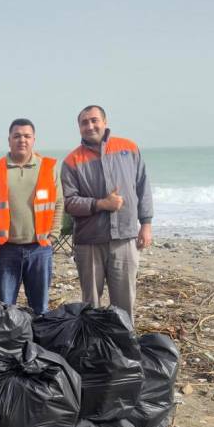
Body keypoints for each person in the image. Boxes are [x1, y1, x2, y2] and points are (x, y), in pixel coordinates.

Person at [61, 105, 153, 321]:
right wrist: (101, 204)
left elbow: (142, 187)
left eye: (94, 120)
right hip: (89, 241)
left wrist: (146, 224)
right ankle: (92, 345)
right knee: (91, 303)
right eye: (84, 122)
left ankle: (124, 346)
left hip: (125, 237)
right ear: (79, 127)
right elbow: (69, 203)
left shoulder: (128, 148)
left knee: (124, 301)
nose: (90, 126)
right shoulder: (72, 161)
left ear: (105, 121)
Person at [0, 118, 63, 314]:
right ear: (9, 140)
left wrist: (54, 235)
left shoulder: (48, 168)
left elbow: (59, 203)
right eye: (17, 136)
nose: (22, 140)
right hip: (6, 250)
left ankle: (38, 343)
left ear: (34, 139)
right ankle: (10, 344)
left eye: (27, 136)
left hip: (40, 249)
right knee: (6, 308)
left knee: (40, 308)